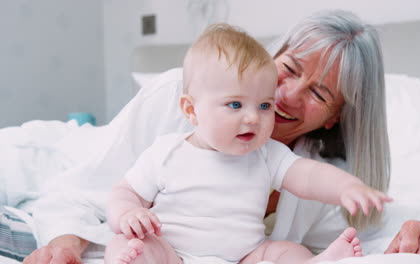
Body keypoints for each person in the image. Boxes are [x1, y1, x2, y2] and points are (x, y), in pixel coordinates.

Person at [22, 9, 420, 264]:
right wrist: (66, 241)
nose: (285, 97)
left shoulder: (301, 168)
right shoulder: (179, 97)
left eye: (320, 93)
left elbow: (362, 228)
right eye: (288, 70)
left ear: (334, 118)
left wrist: (418, 237)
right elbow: (93, 189)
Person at [104, 24, 392, 264]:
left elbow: (309, 175)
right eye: (235, 104)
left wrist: (347, 187)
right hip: (172, 252)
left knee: (287, 252)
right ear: (191, 110)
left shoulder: (267, 155)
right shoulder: (167, 151)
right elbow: (124, 191)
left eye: (264, 105)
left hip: (243, 256)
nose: (253, 118)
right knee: (127, 244)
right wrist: (128, 215)